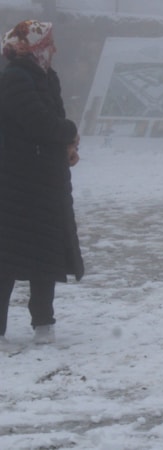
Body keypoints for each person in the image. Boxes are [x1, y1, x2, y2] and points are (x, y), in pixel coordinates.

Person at [0, 20, 83, 346]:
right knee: (6, 257)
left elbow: (53, 122)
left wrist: (69, 146)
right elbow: (40, 122)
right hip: (16, 183)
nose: (54, 48)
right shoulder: (15, 79)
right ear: (31, 46)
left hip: (42, 181)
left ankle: (44, 323)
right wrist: (68, 132)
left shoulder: (45, 78)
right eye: (48, 42)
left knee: (44, 255)